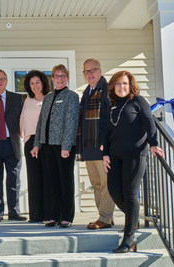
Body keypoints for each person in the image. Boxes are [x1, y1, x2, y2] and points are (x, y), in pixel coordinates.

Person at [102, 70, 164, 253]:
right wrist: (105, 153)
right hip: (114, 156)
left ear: (130, 86)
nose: (121, 87)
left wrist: (154, 144)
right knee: (114, 190)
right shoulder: (112, 104)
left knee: (130, 194)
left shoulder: (138, 101)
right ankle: (133, 217)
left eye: (125, 84)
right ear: (113, 86)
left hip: (135, 155)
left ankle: (128, 238)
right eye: (118, 84)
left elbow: (148, 123)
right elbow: (106, 132)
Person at [31, 64, 79, 228]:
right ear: (52, 79)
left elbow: (71, 122)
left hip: (63, 146)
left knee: (65, 182)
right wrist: (37, 144)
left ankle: (66, 216)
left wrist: (66, 146)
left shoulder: (71, 97)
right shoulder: (48, 97)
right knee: (51, 182)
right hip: (47, 145)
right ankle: (53, 215)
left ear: (67, 78)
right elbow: (40, 123)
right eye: (56, 76)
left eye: (63, 75)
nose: (59, 78)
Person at [76, 58, 116, 230]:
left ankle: (105, 217)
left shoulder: (107, 90)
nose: (90, 74)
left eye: (93, 70)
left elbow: (109, 120)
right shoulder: (88, 92)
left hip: (101, 146)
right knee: (97, 184)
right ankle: (104, 216)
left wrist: (104, 143)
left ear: (100, 71)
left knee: (107, 183)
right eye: (86, 71)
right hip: (88, 146)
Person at [0, 69, 26, 222]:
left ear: (7, 81)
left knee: (14, 180)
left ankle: (14, 212)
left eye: (2, 79)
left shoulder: (17, 99)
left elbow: (24, 120)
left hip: (12, 144)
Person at [20, 70, 50, 223]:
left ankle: (47, 214)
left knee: (46, 177)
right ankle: (36, 215)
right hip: (30, 141)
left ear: (43, 83)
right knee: (33, 178)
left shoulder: (49, 99)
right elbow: (22, 121)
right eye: (32, 83)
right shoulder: (27, 101)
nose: (35, 85)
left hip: (46, 142)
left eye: (37, 82)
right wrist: (25, 140)